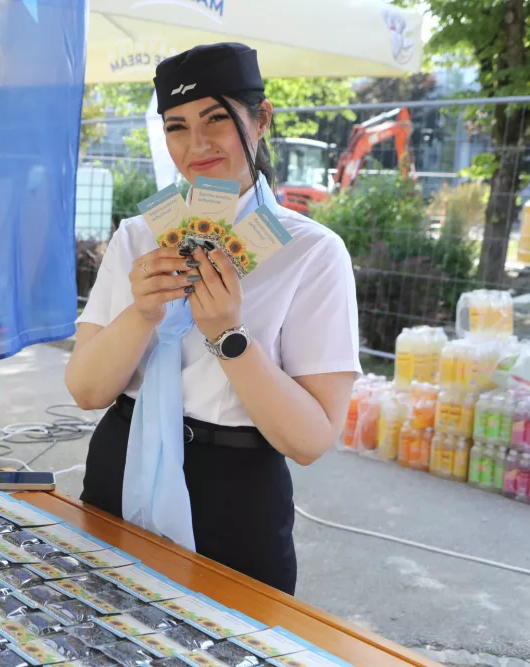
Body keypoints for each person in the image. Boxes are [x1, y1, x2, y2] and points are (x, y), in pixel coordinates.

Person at [65, 43, 360, 595]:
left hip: (232, 490)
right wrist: (143, 311)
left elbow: (311, 440)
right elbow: (85, 390)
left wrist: (228, 336)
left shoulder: (311, 252)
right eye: (176, 126)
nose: (196, 145)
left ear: (261, 118)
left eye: (217, 118)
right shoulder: (138, 236)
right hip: (120, 461)